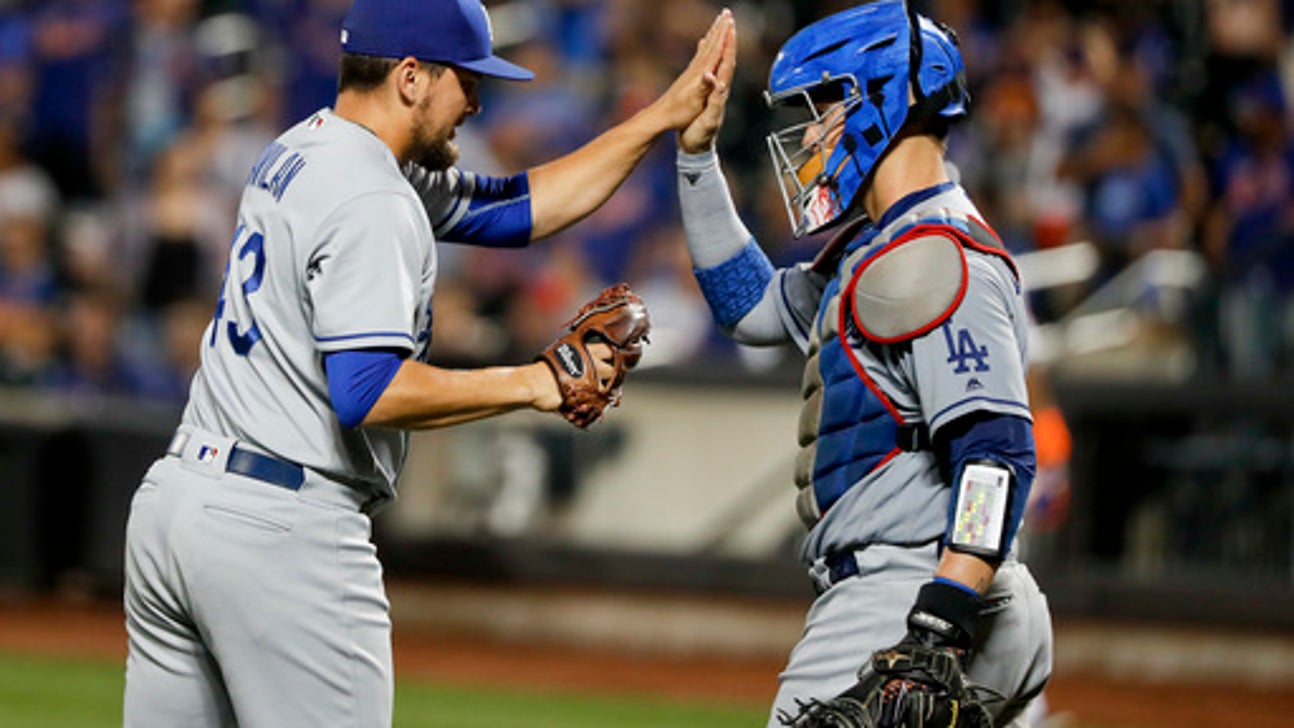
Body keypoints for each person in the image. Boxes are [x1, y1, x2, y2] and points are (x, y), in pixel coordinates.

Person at [121, 0, 735, 725]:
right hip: (282, 533)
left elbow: (517, 209)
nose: (476, 100)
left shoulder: (305, 149)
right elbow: (367, 392)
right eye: (465, 79)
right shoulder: (373, 196)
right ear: (411, 77)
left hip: (177, 508)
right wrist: (537, 383)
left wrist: (659, 117)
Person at [674, 3, 1052, 725]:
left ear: (883, 101)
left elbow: (996, 458)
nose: (812, 135)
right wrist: (696, 160)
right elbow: (748, 306)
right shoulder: (880, 248)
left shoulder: (935, 258)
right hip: (949, 585)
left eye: (824, 108)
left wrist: (938, 617)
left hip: (914, 587)